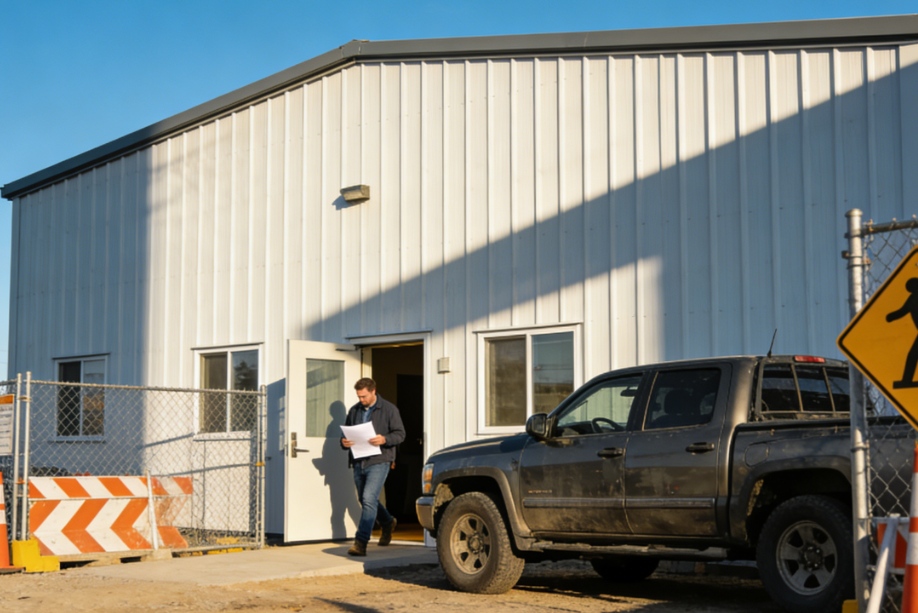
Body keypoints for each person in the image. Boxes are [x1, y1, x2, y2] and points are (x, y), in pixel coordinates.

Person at [340, 377, 406, 556]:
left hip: (379, 460)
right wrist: (344, 442)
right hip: (358, 460)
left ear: (373, 391)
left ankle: (361, 542)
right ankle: (387, 522)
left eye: (364, 396)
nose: (361, 400)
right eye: (359, 396)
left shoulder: (389, 409)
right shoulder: (354, 410)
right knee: (365, 500)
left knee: (369, 498)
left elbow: (400, 434)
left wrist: (384, 439)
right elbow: (345, 435)